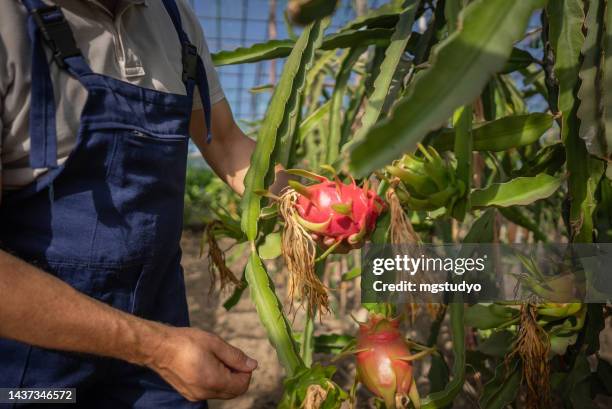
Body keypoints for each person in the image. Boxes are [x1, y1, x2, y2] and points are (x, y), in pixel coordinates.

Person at [0, 0, 287, 407]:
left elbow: (224, 141)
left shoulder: (175, 18)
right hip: (30, 350)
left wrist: (307, 204)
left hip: (158, 315)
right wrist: (156, 348)